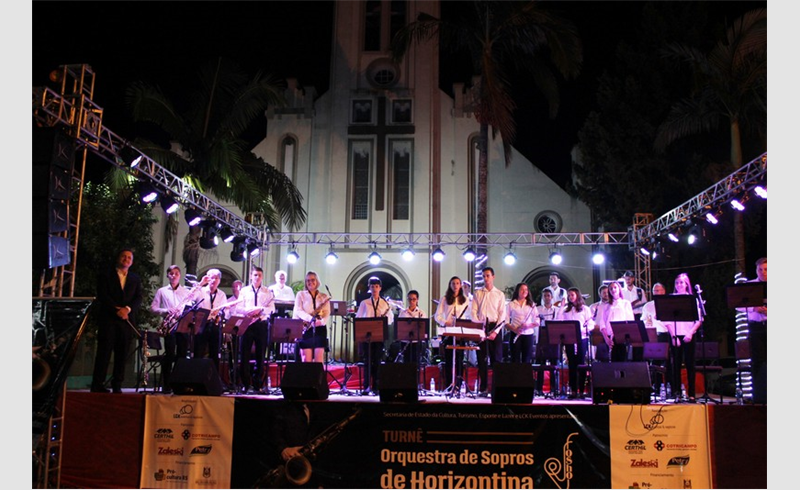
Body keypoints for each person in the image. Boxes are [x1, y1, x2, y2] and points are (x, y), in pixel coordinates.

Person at [91, 248, 143, 393]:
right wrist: (116, 310)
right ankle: (97, 384)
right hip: (109, 319)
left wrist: (127, 309)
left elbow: (138, 297)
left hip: (126, 321)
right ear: (118, 258)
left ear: (132, 262)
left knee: (122, 354)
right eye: (124, 256)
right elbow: (102, 295)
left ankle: (117, 385)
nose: (126, 259)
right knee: (104, 352)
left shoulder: (135, 279)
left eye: (129, 258)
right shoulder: (105, 275)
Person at [149, 265, 194, 393]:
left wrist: (184, 312)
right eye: (171, 273)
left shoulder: (186, 292)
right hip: (169, 326)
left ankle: (179, 384)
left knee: (182, 355)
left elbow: (190, 308)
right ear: (168, 275)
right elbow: (153, 308)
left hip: (183, 325)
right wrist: (166, 311)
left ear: (179, 276)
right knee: (169, 355)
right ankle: (167, 384)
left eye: (176, 273)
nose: (174, 276)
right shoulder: (162, 291)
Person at [666, 273, 704, 402]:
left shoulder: (693, 299)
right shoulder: (671, 299)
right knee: (675, 365)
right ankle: (676, 393)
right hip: (675, 334)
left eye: (681, 282)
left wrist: (690, 333)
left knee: (690, 364)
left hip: (689, 335)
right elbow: (667, 321)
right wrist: (673, 336)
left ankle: (691, 394)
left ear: (687, 284)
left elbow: (698, 320)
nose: (679, 285)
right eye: (677, 283)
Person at [239, 267, 276, 393]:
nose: (257, 277)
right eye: (255, 275)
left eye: (260, 275)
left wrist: (260, 310)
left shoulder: (267, 291)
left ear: (262, 276)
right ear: (251, 276)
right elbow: (239, 307)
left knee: (261, 355)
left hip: (261, 323)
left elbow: (272, 309)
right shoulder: (244, 291)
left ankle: (257, 384)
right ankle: (245, 383)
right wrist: (249, 312)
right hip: (248, 323)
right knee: (244, 354)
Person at [471, 267, 507, 396]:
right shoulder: (478, 293)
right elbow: (473, 311)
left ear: (493, 277)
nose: (485, 278)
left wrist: (495, 332)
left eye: (488, 276)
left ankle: (497, 388)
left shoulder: (499, 294)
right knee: (482, 359)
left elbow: (502, 314)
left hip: (495, 327)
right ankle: (483, 387)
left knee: (496, 359)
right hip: (482, 326)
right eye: (484, 276)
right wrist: (478, 326)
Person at [355, 277, 394, 394]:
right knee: (367, 361)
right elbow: (358, 318)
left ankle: (376, 387)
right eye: (372, 287)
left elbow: (390, 319)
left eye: (376, 287)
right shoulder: (364, 303)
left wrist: (383, 317)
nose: (374, 289)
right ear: (369, 288)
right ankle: (367, 386)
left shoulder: (384, 303)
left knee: (377, 361)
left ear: (380, 288)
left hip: (379, 336)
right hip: (367, 337)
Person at [433, 276, 471, 391]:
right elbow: (437, 316)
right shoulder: (444, 299)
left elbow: (470, 316)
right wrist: (446, 322)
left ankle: (458, 386)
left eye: (458, 283)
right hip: (449, 332)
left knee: (459, 360)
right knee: (449, 360)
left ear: (460, 286)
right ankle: (449, 386)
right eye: (453, 283)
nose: (455, 285)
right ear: (450, 285)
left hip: (460, 332)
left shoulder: (465, 300)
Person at [556, 287, 595, 398]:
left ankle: (582, 390)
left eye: (572, 295)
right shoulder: (566, 310)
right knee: (571, 364)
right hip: (569, 339)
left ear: (577, 295)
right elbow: (559, 320)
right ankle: (573, 391)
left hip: (582, 338)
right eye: (569, 295)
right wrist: (562, 306)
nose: (570, 297)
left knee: (581, 364)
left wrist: (584, 329)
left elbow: (590, 323)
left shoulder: (585, 309)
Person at [739, 257, 767, 404]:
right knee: (757, 361)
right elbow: (737, 304)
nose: (763, 272)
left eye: (766, 269)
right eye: (760, 269)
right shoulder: (749, 286)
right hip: (755, 327)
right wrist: (753, 308)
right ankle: (758, 396)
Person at [293, 271, 331, 363]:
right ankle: (307, 378)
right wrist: (311, 319)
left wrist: (321, 322)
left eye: (313, 280)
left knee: (319, 361)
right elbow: (298, 310)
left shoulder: (324, 296)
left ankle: (318, 378)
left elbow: (327, 313)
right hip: (305, 328)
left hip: (319, 329)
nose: (310, 282)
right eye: (308, 280)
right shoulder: (300, 294)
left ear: (317, 281)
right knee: (306, 360)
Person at [195, 268, 228, 372]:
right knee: (199, 352)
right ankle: (196, 378)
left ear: (219, 280)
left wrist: (220, 314)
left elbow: (225, 310)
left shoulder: (222, 294)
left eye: (217, 278)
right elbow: (190, 298)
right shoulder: (200, 291)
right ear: (208, 278)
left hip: (214, 325)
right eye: (212, 277)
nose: (214, 280)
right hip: (201, 324)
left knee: (215, 353)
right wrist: (200, 284)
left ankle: (213, 379)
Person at [595, 281, 634, 362]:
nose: (613, 289)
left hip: (622, 336)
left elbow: (630, 320)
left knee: (622, 361)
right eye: (611, 288)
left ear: (619, 289)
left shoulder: (625, 303)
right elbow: (602, 323)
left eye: (615, 287)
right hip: (609, 336)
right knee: (612, 361)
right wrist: (606, 338)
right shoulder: (606, 305)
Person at [506, 283, 540, 365]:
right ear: (517, 291)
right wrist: (515, 329)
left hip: (528, 335)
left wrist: (528, 325)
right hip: (515, 334)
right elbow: (505, 321)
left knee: (527, 359)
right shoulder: (511, 304)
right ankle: (515, 377)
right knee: (515, 359)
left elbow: (537, 321)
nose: (524, 291)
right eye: (522, 289)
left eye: (526, 290)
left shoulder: (531, 305)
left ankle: (525, 377)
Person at [396, 290, 426, 365]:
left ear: (417, 300)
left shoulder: (421, 313)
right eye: (409, 299)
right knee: (406, 362)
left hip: (416, 341)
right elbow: (400, 327)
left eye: (414, 299)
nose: (412, 301)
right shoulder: (403, 313)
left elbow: (424, 328)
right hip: (405, 341)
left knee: (416, 363)